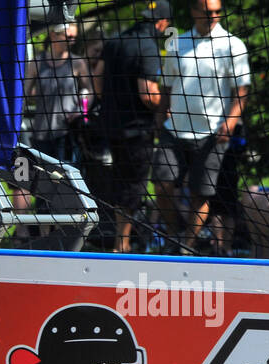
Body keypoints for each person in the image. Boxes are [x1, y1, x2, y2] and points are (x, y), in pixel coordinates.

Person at [152, 0, 250, 253]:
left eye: (217, 12)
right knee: (161, 185)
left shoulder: (233, 45)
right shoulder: (177, 43)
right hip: (174, 129)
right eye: (208, 12)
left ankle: (186, 247)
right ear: (193, 11)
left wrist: (230, 122)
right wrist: (160, 116)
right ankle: (173, 236)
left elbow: (241, 92)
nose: (213, 16)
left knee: (201, 194)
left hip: (212, 133)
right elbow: (167, 86)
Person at [94, 0, 171, 252]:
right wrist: (166, 107)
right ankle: (122, 244)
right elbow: (147, 93)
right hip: (136, 130)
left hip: (111, 125)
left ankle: (122, 239)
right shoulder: (149, 47)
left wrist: (112, 102)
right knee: (133, 186)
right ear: (162, 23)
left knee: (119, 183)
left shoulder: (116, 40)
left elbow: (97, 78)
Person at [24, 20, 90, 165]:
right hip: (40, 132)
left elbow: (89, 90)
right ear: (54, 35)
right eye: (68, 37)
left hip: (67, 133)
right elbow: (24, 95)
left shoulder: (77, 63)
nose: (72, 41)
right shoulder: (37, 63)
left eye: (74, 37)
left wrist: (81, 109)